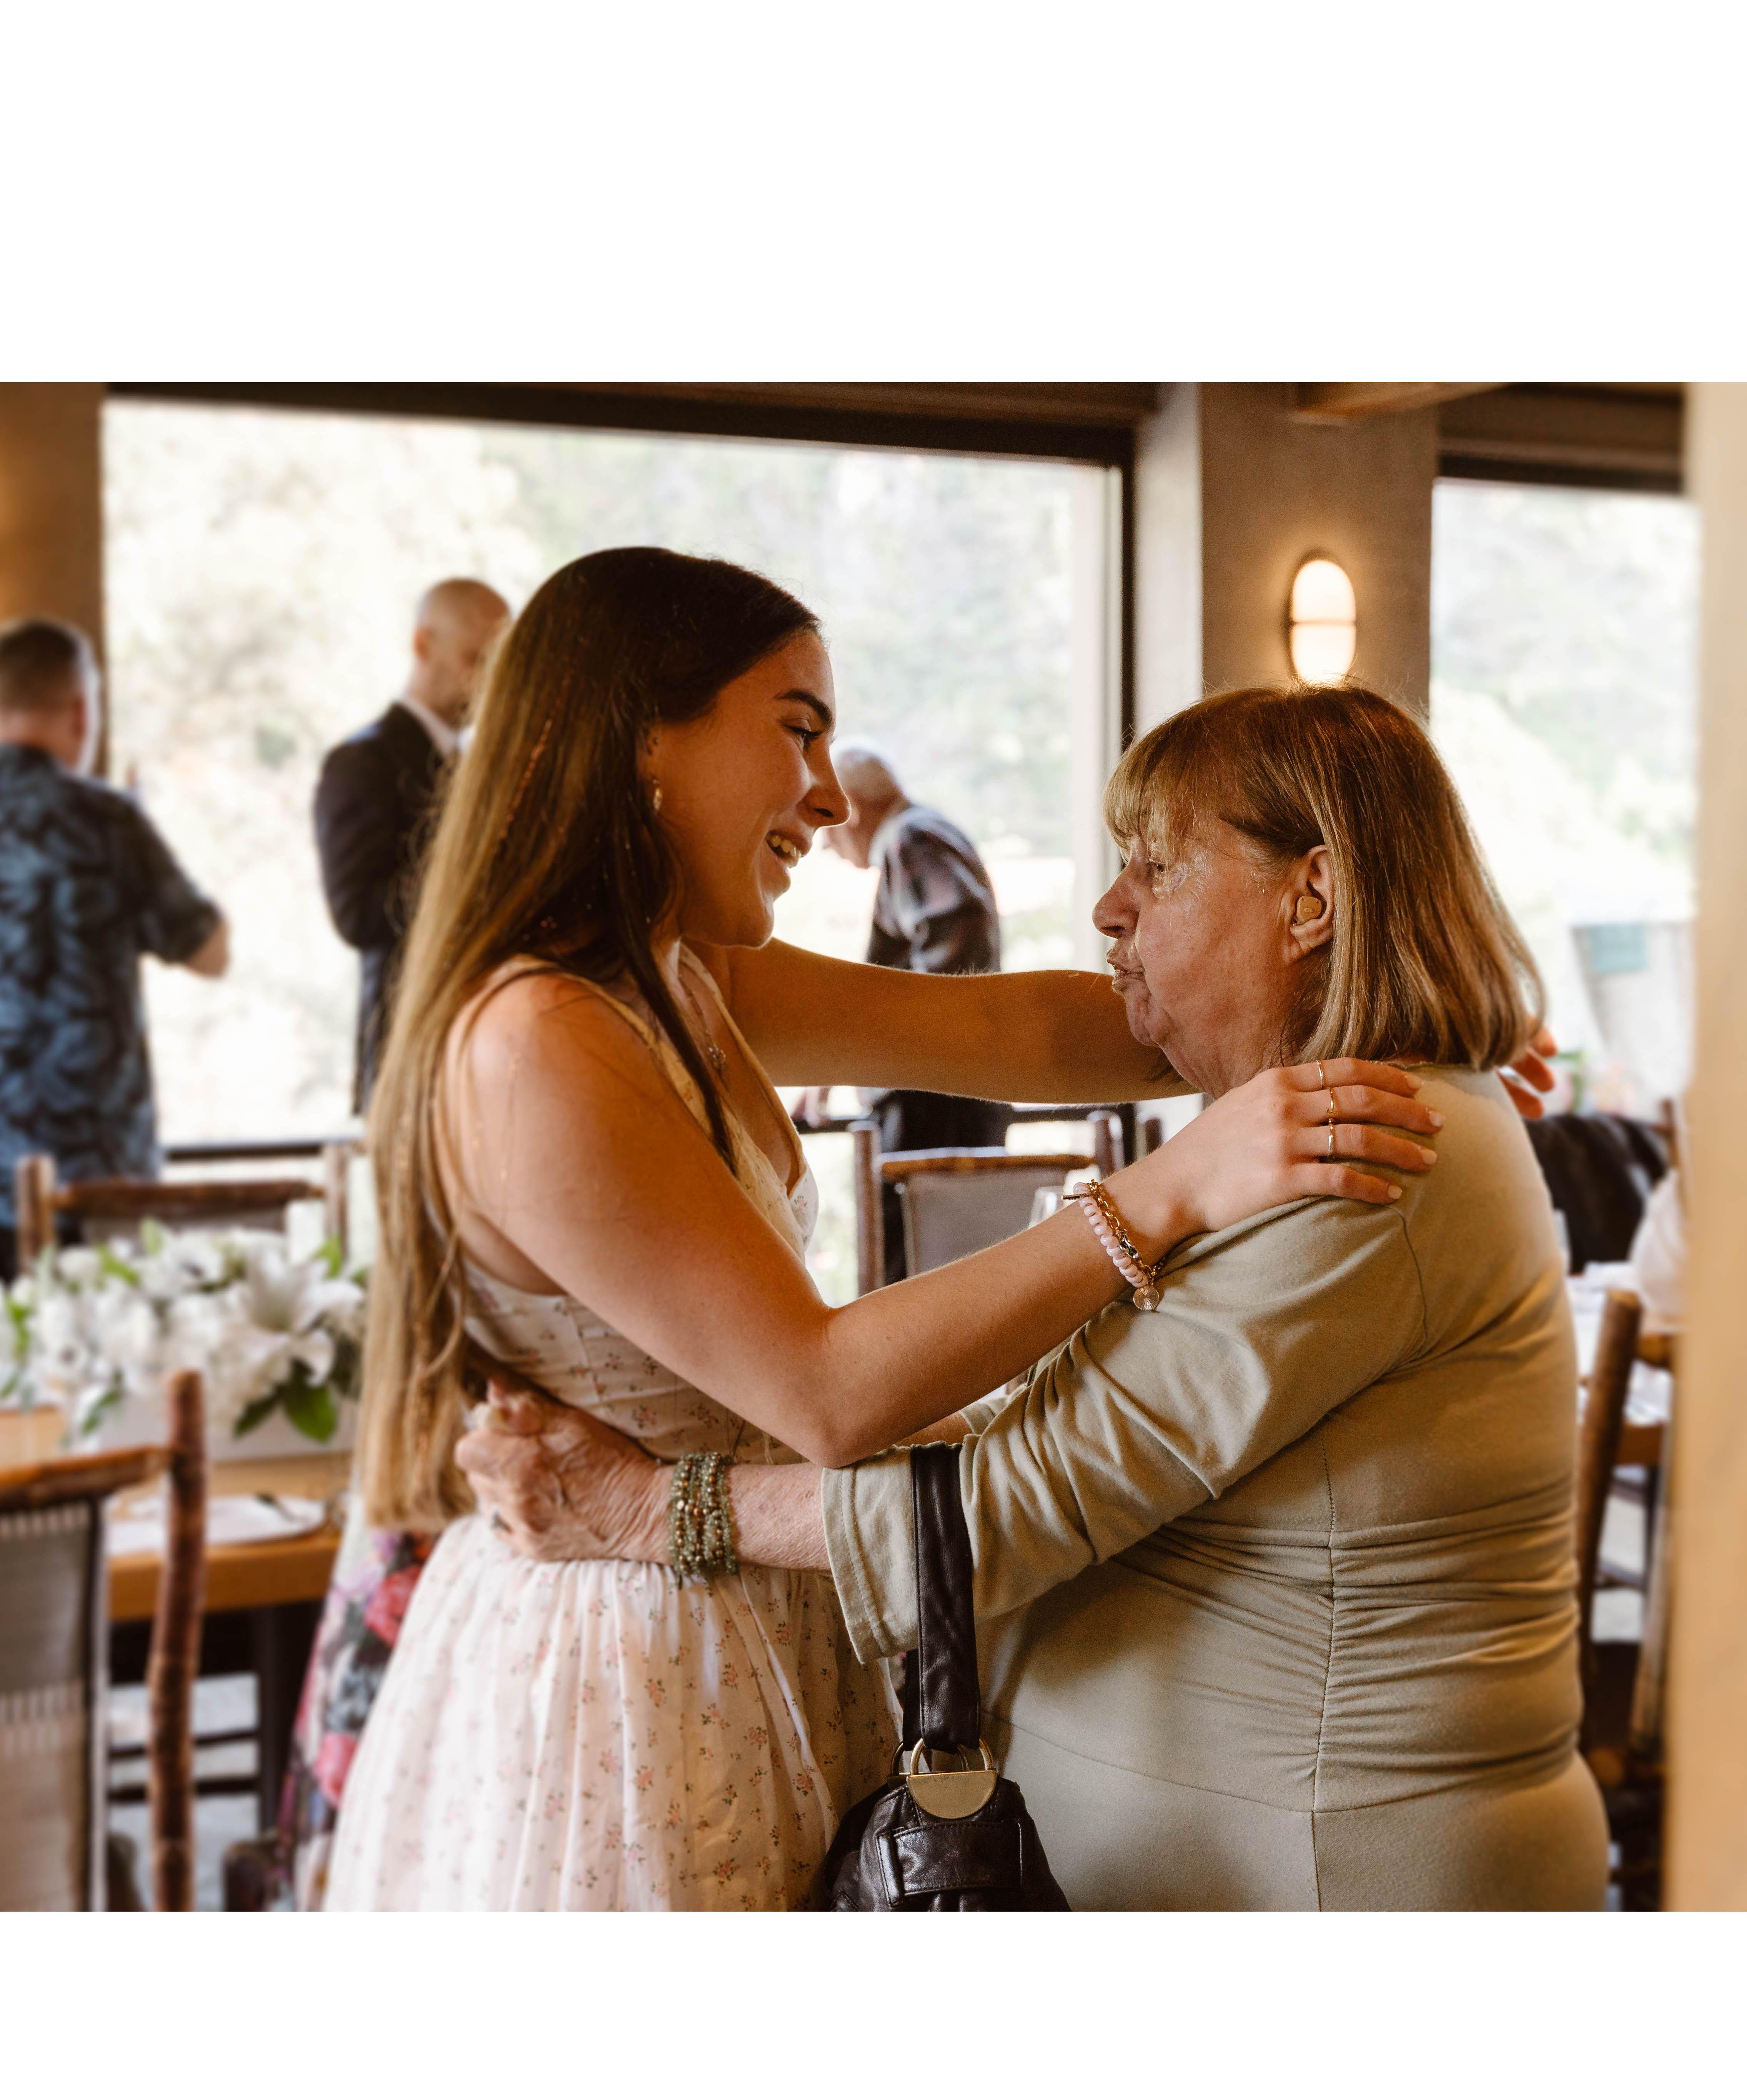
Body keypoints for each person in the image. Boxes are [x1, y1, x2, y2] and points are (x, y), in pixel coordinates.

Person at [320, 548, 1454, 1911]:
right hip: (620, 1664)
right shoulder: (537, 1037)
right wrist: (1171, 1187)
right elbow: (823, 1389)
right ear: (636, 741)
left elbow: (1013, 1026)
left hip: (744, 1615)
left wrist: (1381, 993)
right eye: (796, 727)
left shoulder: (679, 972)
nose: (823, 789)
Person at [0, 618, 229, 1282]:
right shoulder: (109, 821)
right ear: (81, 710)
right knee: (100, 1374)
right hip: (97, 1180)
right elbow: (210, 953)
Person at [810, 739, 1009, 1278]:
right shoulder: (918, 837)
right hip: (941, 1091)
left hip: (933, 1097)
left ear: (853, 808)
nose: (824, 843)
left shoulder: (912, 839)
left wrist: (858, 1056)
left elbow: (949, 970)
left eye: (828, 822)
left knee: (917, 1271)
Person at [313, 579, 510, 1107]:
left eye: (502, 664)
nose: (490, 682)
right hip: (409, 1058)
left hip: (488, 1053)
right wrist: (484, 866)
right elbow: (359, 914)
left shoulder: (479, 770)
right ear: (424, 645)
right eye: (476, 659)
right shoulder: (362, 763)